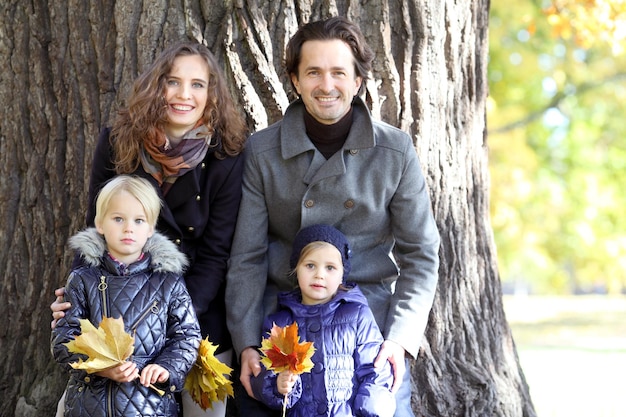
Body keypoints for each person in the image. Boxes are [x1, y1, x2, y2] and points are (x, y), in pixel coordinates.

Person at [225, 16, 440, 417]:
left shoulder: (394, 151)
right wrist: (246, 343)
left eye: (339, 72)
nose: (327, 85)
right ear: (295, 80)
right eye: (314, 72)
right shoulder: (262, 151)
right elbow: (247, 257)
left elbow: (422, 255)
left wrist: (399, 340)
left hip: (370, 340)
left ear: (358, 81)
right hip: (282, 336)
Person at [51, 41, 247, 416]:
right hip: (113, 313)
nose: (184, 95)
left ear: (212, 94)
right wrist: (75, 295)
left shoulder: (227, 156)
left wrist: (166, 320)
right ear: (156, 86)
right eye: (172, 82)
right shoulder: (117, 142)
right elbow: (96, 228)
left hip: (194, 318)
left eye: (197, 84)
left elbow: (216, 254)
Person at [51, 175, 202, 416]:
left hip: (150, 404)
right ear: (100, 224)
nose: (128, 228)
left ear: (151, 228)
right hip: (89, 405)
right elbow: (64, 340)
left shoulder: (169, 282)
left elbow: (186, 335)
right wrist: (102, 367)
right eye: (118, 218)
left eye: (139, 220)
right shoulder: (82, 279)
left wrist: (166, 367)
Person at [250, 224, 396, 416]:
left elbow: (374, 369)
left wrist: (371, 410)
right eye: (310, 265)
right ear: (296, 269)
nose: (319, 274)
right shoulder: (280, 324)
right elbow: (264, 374)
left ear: (342, 273)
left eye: (330, 267)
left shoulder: (358, 315)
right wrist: (278, 386)